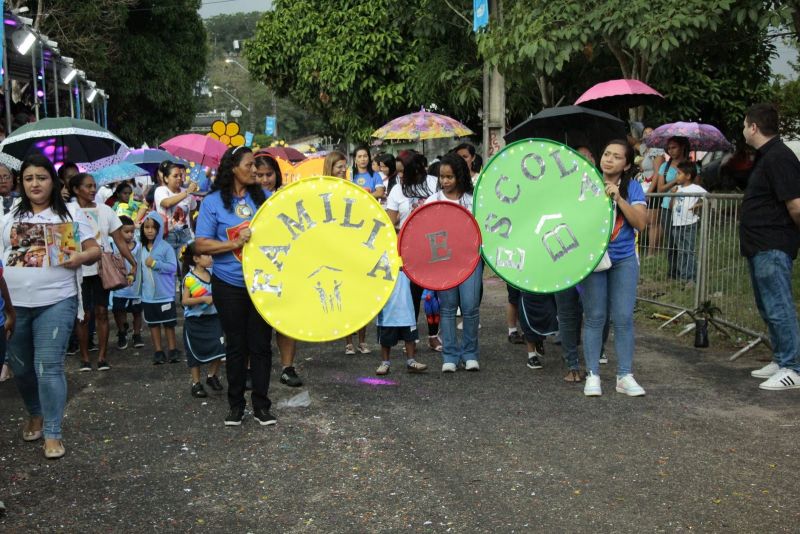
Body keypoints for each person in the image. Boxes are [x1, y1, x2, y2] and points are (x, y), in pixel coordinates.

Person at [3, 154, 100, 459]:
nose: (35, 184)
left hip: (57, 300)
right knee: (20, 368)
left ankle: (53, 431)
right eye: (29, 178)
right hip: (15, 306)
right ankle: (35, 412)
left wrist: (80, 258)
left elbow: (95, 250)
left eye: (41, 178)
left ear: (53, 183)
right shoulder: (9, 217)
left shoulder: (71, 214)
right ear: (22, 182)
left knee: (49, 366)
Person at [195, 146, 276, 426]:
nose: (256, 171)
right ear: (233, 168)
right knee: (236, 346)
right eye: (250, 165)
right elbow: (201, 243)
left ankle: (262, 405)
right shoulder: (213, 202)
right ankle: (236, 405)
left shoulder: (266, 199)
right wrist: (233, 243)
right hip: (228, 285)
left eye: (257, 166)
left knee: (261, 345)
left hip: (262, 285)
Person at [740, 103, 800, 390]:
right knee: (768, 306)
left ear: (753, 127)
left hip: (773, 244)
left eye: (744, 125)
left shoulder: (779, 157)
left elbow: (796, 205)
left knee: (779, 306)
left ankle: (793, 366)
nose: (743, 131)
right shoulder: (765, 157)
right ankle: (781, 358)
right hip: (758, 246)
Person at [582, 140, 648, 397]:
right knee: (595, 316)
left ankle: (624, 375)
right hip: (592, 259)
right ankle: (592, 375)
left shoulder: (633, 188)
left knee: (623, 318)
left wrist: (619, 198)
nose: (609, 159)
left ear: (627, 164)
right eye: (606, 154)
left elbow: (640, 223)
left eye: (617, 157)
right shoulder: (585, 183)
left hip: (623, 259)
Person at [68, 173, 138, 371]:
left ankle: (102, 357)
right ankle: (84, 358)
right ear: (75, 189)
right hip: (77, 269)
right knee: (83, 314)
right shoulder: (67, 211)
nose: (92, 189)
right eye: (87, 186)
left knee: (101, 312)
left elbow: (119, 240)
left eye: (94, 186)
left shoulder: (106, 210)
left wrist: (132, 262)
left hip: (102, 268)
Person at [424, 154, 481, 372]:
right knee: (447, 308)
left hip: (470, 260)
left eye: (450, 177)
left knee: (470, 306)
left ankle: (470, 354)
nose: (445, 181)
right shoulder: (433, 201)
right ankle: (450, 354)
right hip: (443, 263)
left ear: (460, 176)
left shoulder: (471, 200)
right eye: (442, 177)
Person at [253, 154, 303, 387]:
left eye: (269, 175)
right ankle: (251, 369)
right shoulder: (246, 199)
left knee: (287, 319)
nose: (265, 180)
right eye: (260, 175)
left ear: (277, 175)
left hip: (289, 265)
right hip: (257, 267)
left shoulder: (287, 197)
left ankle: (287, 367)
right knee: (256, 323)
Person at [385, 151, 442, 352]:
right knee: (411, 295)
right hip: (408, 250)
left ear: (415, 169)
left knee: (433, 294)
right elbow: (390, 222)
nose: (399, 176)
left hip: (434, 246)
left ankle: (434, 336)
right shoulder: (396, 190)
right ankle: (412, 337)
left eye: (402, 172)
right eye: (398, 172)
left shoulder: (436, 183)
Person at [180, 242, 225, 398]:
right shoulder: (189, 278)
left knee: (220, 348)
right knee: (194, 354)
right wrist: (203, 299)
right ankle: (196, 383)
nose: (210, 258)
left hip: (214, 319)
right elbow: (184, 301)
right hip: (195, 321)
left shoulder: (214, 273)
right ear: (196, 259)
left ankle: (212, 376)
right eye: (206, 255)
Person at [139, 212, 180, 365]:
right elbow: (139, 270)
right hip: (148, 296)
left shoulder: (166, 247)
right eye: (146, 227)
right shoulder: (141, 248)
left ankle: (172, 349)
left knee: (169, 324)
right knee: (153, 324)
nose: (149, 230)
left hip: (165, 295)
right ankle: (158, 351)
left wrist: (156, 264)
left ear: (159, 229)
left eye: (153, 228)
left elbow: (173, 267)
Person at [375, 271, 428, 376]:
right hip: (387, 308)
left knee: (410, 336)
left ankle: (411, 362)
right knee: (385, 336)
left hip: (406, 306)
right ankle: (385, 363)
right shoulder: (384, 258)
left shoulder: (407, 261)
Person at [654, 136, 691, 276]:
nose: (671, 150)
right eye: (669, 148)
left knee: (684, 241)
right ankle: (673, 271)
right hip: (667, 207)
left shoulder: (690, 166)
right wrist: (675, 181)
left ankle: (686, 271)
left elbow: (697, 185)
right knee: (671, 240)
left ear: (682, 148)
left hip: (685, 207)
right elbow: (660, 189)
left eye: (674, 147)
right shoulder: (665, 167)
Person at [154, 160, 197, 267]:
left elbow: (191, 213)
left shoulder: (187, 193)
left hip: (185, 235)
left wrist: (192, 233)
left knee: (185, 268)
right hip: (168, 236)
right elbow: (167, 203)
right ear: (166, 178)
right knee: (170, 271)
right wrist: (187, 192)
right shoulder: (160, 190)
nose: (179, 178)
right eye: (175, 176)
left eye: (180, 175)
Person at [110, 216, 144, 350]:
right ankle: (122, 332)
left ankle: (137, 334)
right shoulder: (113, 246)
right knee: (119, 312)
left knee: (137, 313)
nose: (130, 235)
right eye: (126, 232)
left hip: (136, 289)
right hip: (119, 288)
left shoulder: (139, 247)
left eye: (132, 232)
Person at [669, 161, 705, 283]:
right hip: (676, 224)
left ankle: (691, 278)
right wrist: (673, 196)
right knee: (681, 251)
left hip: (689, 224)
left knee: (689, 251)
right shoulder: (677, 189)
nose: (676, 177)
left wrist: (698, 205)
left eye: (679, 174)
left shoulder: (696, 188)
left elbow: (709, 199)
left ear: (688, 176)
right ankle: (682, 276)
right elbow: (670, 207)